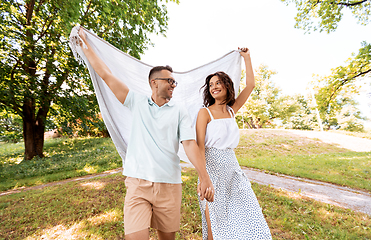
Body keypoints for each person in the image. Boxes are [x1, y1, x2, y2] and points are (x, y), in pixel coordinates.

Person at [77, 28, 214, 240]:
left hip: (169, 185)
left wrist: (204, 176)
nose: (173, 85)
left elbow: (188, 144)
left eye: (174, 82)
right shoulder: (136, 101)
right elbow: (106, 74)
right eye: (170, 81)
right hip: (138, 185)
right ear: (154, 82)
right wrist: (85, 45)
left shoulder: (179, 110)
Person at [195, 48, 272, 239]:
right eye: (211, 84)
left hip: (233, 170)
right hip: (211, 171)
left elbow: (251, 85)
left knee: (249, 215)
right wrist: (203, 177)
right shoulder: (204, 113)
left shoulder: (231, 110)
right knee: (215, 220)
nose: (214, 87)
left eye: (218, 83)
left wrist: (247, 58)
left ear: (227, 85)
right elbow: (199, 147)